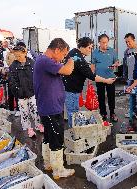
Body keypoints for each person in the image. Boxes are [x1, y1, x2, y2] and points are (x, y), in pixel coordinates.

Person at [34, 38, 75, 179]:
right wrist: (71, 60)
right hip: (51, 108)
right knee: (57, 138)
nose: (63, 58)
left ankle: (48, 164)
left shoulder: (45, 61)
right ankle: (58, 170)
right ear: (57, 50)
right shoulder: (45, 61)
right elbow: (68, 71)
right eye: (63, 54)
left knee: (49, 137)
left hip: (48, 106)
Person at [63, 37, 116, 127]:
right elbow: (91, 75)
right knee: (73, 114)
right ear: (82, 47)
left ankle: (74, 130)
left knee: (72, 112)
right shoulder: (79, 59)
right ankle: (74, 133)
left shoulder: (73, 52)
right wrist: (106, 80)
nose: (90, 50)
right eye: (89, 48)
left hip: (69, 88)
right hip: (72, 90)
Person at [9, 45, 43, 138]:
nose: (17, 58)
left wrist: (37, 89)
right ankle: (29, 129)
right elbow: (12, 82)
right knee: (24, 113)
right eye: (16, 56)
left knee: (35, 110)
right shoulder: (13, 66)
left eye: (19, 56)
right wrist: (19, 92)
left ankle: (38, 125)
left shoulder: (32, 63)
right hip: (21, 95)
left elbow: (37, 77)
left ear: (25, 53)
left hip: (32, 93)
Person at [91, 34, 119, 122]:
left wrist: (115, 64)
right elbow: (93, 65)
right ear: (99, 42)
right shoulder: (95, 52)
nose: (105, 44)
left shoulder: (112, 51)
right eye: (103, 43)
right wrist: (92, 76)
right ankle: (103, 113)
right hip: (99, 78)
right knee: (101, 97)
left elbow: (117, 61)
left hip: (110, 78)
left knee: (111, 96)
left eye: (106, 42)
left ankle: (112, 113)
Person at [123, 33, 137, 121]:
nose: (128, 43)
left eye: (129, 41)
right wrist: (125, 75)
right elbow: (125, 64)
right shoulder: (126, 51)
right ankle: (132, 111)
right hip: (130, 77)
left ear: (134, 40)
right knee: (131, 95)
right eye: (126, 42)